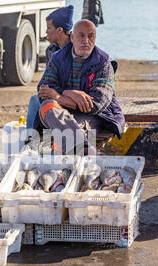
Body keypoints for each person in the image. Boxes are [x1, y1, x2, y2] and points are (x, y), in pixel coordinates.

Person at [36, 19, 125, 155]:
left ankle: (77, 152)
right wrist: (69, 94)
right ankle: (83, 150)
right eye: (81, 35)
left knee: (68, 130)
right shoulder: (57, 58)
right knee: (47, 105)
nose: (86, 40)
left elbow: (94, 105)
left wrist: (57, 96)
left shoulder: (104, 63)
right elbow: (43, 91)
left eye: (91, 36)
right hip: (59, 113)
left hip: (95, 117)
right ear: (72, 37)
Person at [25, 5, 74, 137]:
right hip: (54, 95)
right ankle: (37, 147)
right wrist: (45, 89)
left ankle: (33, 145)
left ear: (60, 30)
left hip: (70, 98)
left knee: (36, 102)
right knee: (37, 99)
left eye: (48, 28)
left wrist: (55, 93)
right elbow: (48, 79)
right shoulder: (51, 50)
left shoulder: (75, 50)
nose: (46, 32)